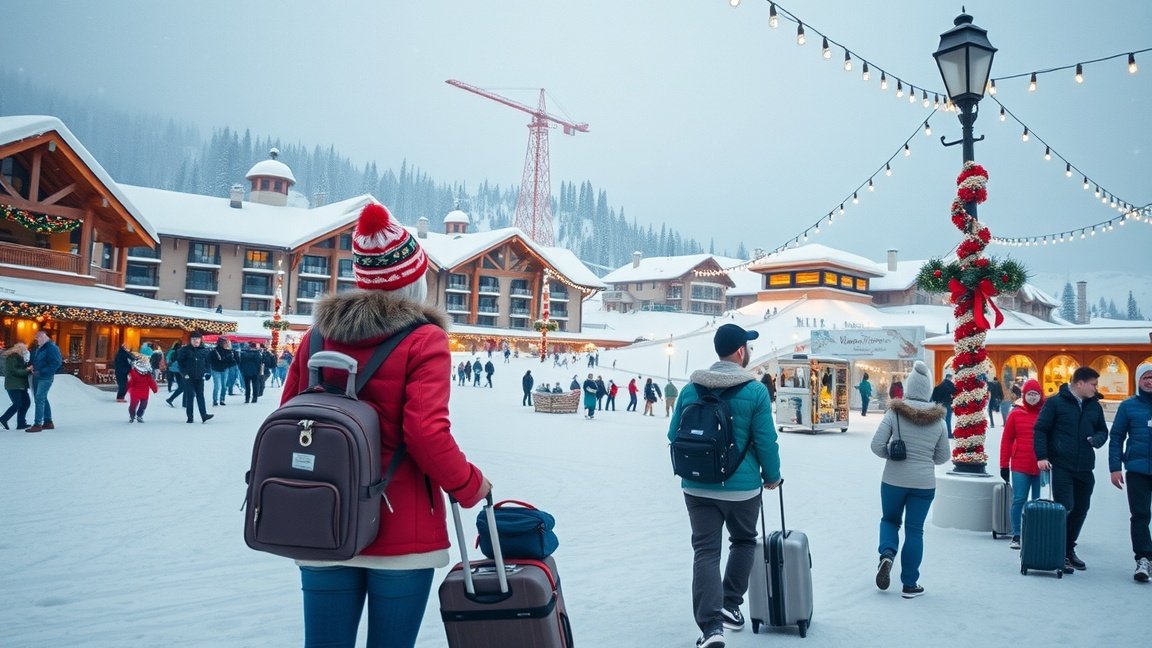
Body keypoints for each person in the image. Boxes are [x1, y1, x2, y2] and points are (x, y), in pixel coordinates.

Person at [283, 202, 490, 648]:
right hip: (401, 530)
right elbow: (425, 433)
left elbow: (287, 416)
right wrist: (471, 485)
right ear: (415, 278)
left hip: (323, 520)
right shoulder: (423, 339)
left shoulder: (316, 337)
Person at [667, 323, 781, 648]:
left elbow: (673, 435)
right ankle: (730, 604)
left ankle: (711, 629)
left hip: (697, 486)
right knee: (744, 541)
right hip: (743, 489)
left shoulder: (692, 389)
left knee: (705, 551)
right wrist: (771, 477)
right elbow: (766, 442)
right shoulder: (756, 391)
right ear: (741, 352)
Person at [870, 360, 950, 599]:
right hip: (924, 484)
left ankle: (887, 555)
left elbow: (876, 445)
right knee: (915, 531)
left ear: (908, 388)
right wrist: (924, 461)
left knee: (890, 520)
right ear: (928, 391)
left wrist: (892, 456)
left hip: (893, 480)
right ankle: (910, 584)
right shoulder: (939, 420)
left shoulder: (894, 413)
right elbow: (943, 456)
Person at [1034, 366, 1109, 573]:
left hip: (1085, 466)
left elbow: (1103, 430)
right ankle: (1058, 552)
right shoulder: (1055, 402)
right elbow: (1041, 429)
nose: (1096, 388)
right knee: (1065, 506)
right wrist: (1042, 456)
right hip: (1061, 465)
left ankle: (1069, 549)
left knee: (1081, 509)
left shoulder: (1094, 406)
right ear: (1079, 383)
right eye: (1093, 384)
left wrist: (1098, 440)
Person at [1108, 362, 1152, 582]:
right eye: (1146, 377)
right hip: (1137, 469)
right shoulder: (1128, 406)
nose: (1150, 381)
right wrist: (1115, 467)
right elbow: (1116, 437)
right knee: (1141, 515)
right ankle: (1143, 558)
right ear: (1138, 380)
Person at [998, 379, 1047, 550]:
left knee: (1036, 500)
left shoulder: (1046, 414)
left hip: (1039, 464)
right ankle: (1017, 534)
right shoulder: (1016, 414)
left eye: (1035, 394)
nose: (1032, 397)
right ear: (1024, 395)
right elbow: (1007, 440)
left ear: (1040, 396)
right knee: (1019, 499)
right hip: (1019, 463)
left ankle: (1033, 532)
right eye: (1029, 394)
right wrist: (1004, 464)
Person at [26, 329, 61, 433]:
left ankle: (37, 424)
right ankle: (48, 422)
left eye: (38, 337)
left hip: (45, 377)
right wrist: (33, 367)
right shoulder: (40, 348)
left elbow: (56, 363)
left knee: (39, 398)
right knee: (42, 398)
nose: (37, 339)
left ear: (44, 337)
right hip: (38, 376)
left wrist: (42, 372)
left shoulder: (51, 347)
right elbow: (40, 361)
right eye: (36, 337)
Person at [176, 331, 214, 424]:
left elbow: (208, 363)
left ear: (200, 340)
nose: (195, 341)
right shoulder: (185, 350)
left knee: (200, 396)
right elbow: (180, 363)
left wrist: (208, 372)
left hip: (200, 377)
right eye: (193, 339)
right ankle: (190, 417)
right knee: (190, 397)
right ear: (190, 340)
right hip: (189, 377)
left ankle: (204, 415)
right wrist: (184, 374)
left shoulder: (204, 350)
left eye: (197, 339)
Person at [0, 342, 31, 430]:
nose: (26, 351)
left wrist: (27, 369)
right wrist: (27, 370)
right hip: (13, 385)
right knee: (17, 404)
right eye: (24, 349)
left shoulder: (21, 358)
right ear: (19, 349)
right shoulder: (12, 357)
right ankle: (3, 419)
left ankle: (21, 423)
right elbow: (14, 371)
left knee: (26, 403)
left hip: (21, 385)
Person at [126, 358, 159, 423]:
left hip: (141, 392)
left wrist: (154, 389)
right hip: (137, 392)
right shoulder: (134, 373)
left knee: (140, 405)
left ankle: (137, 416)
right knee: (137, 405)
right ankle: (134, 416)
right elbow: (130, 382)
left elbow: (151, 382)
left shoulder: (147, 375)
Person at [209, 338, 237, 407]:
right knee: (218, 386)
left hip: (222, 369)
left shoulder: (228, 351)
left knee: (222, 386)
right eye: (225, 343)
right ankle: (216, 400)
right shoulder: (214, 351)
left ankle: (220, 399)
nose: (227, 344)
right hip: (217, 370)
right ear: (221, 343)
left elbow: (231, 361)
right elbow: (210, 361)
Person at [929, 374, 956, 438]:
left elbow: (934, 396)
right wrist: (951, 399)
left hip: (939, 404)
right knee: (948, 420)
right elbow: (954, 393)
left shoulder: (939, 385)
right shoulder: (950, 384)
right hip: (947, 404)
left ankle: (939, 434)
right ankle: (948, 434)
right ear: (950, 378)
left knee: (939, 420)